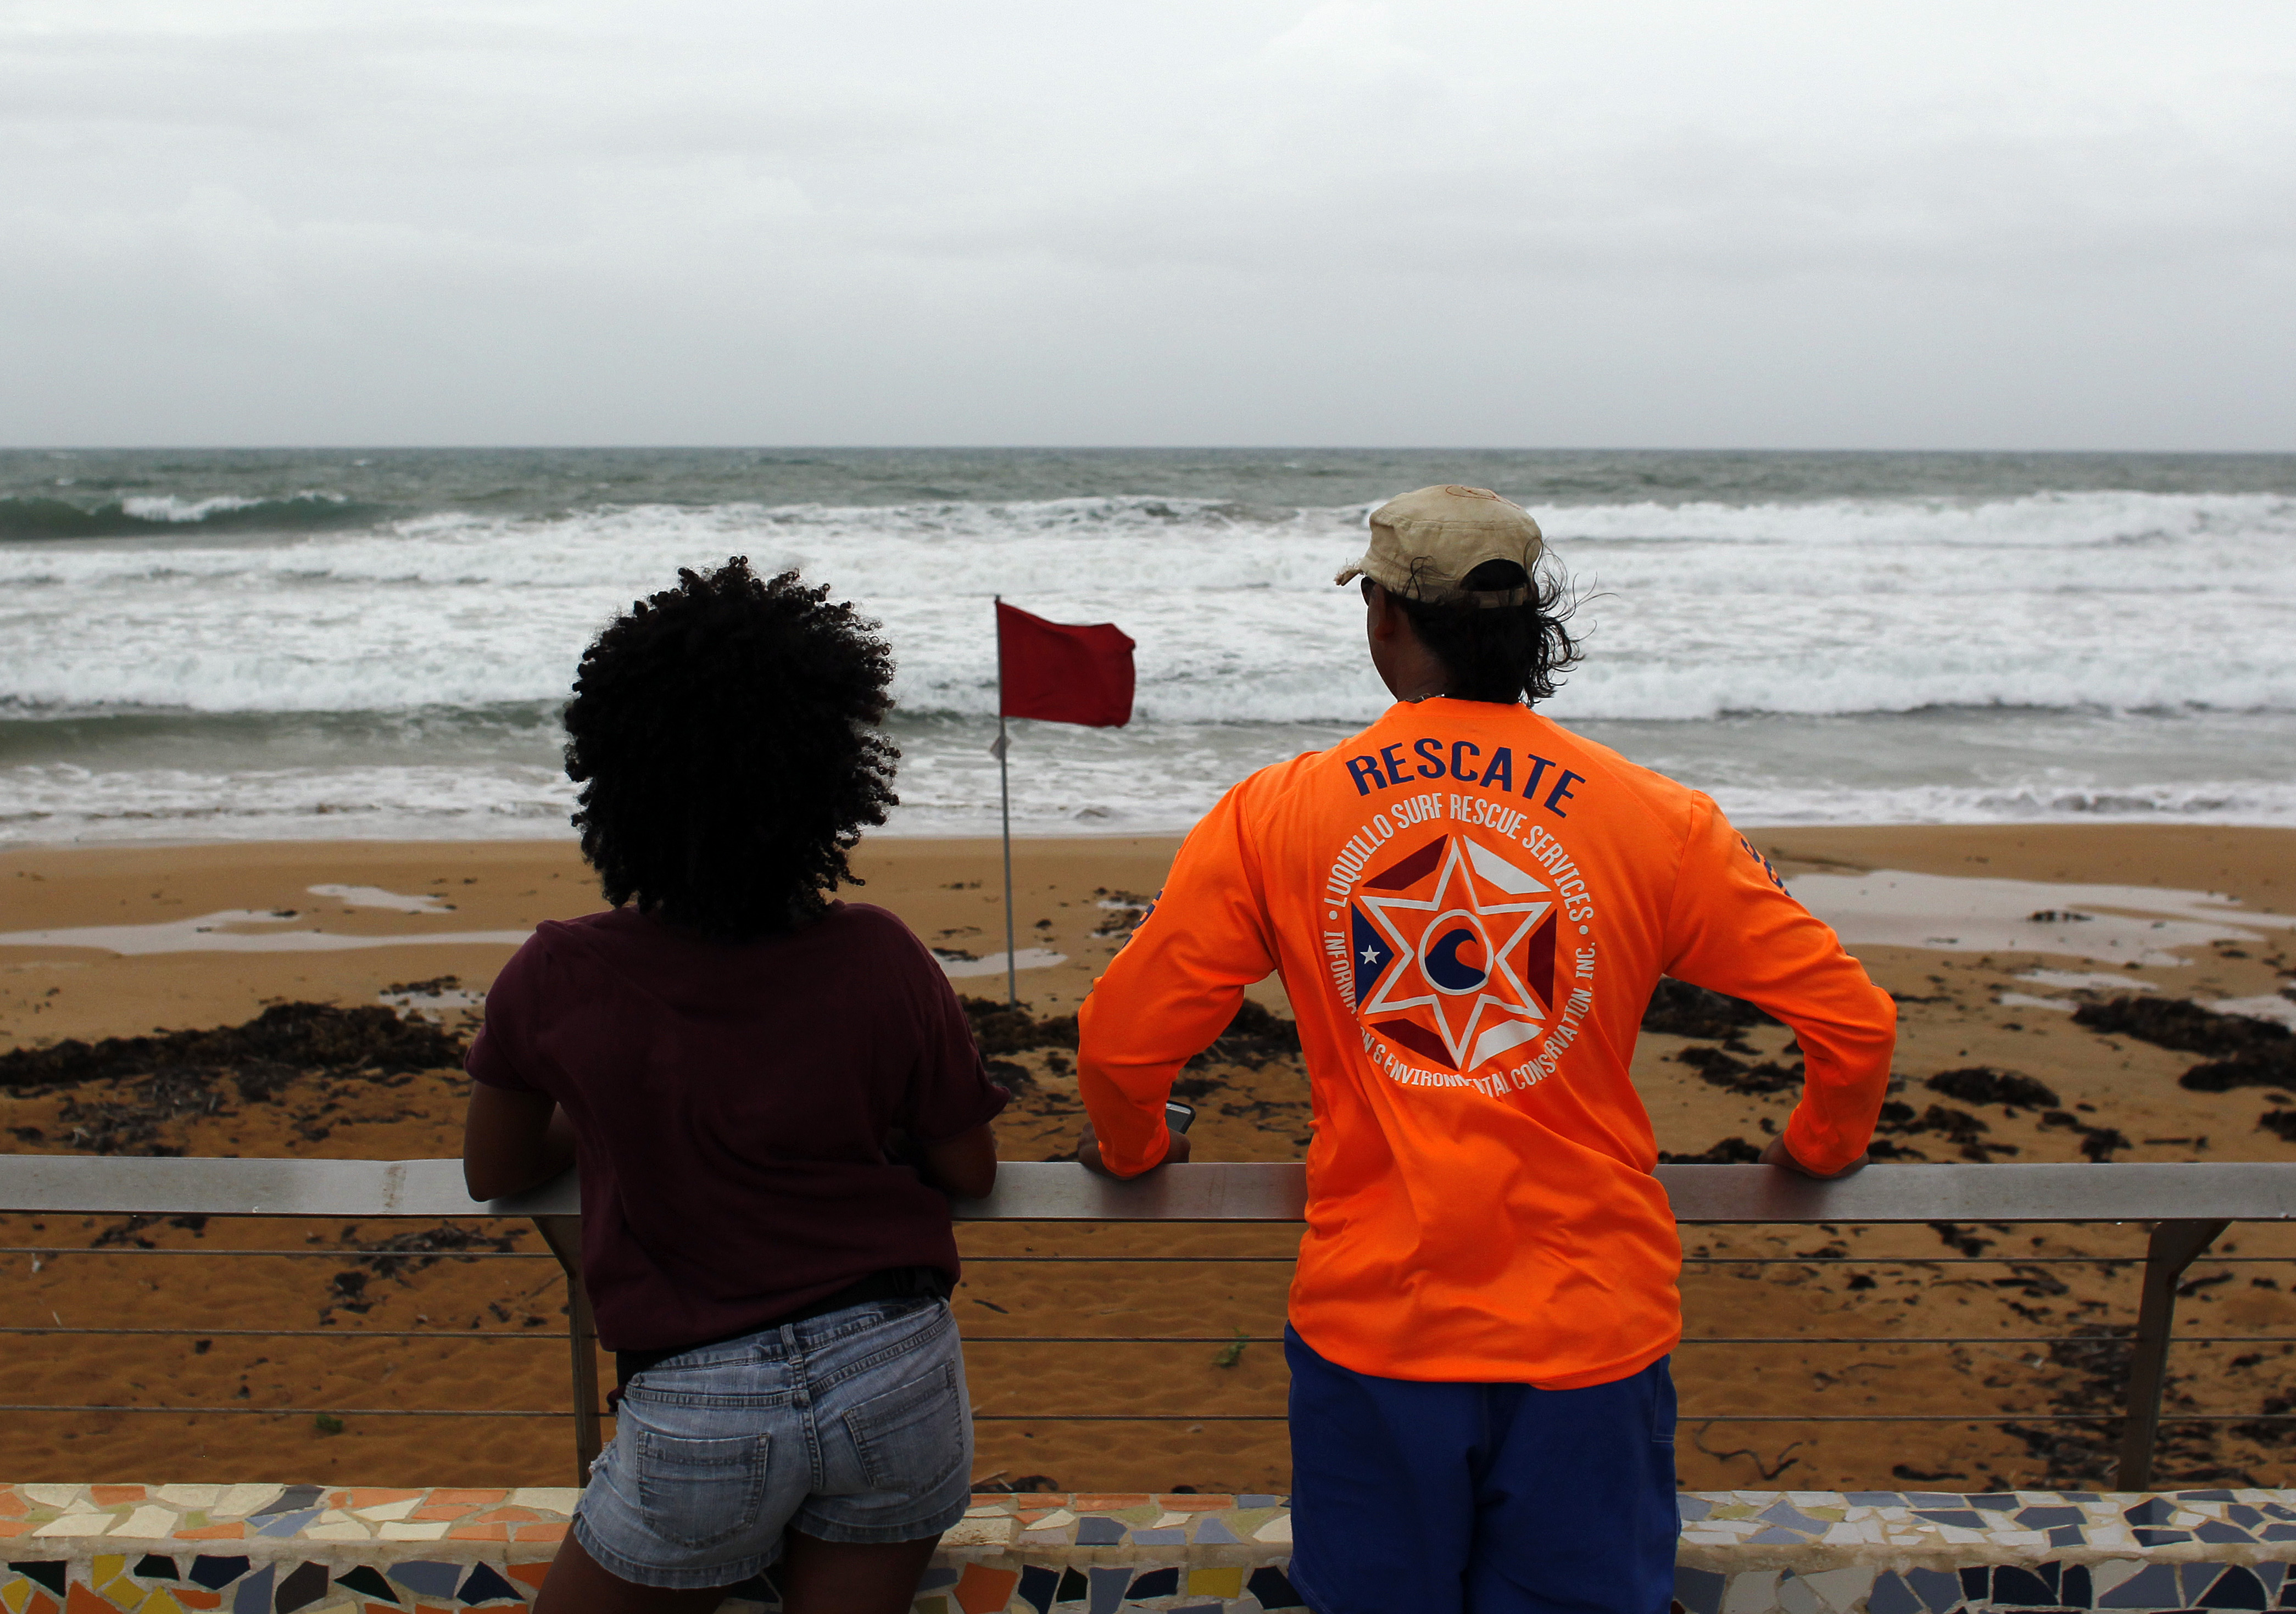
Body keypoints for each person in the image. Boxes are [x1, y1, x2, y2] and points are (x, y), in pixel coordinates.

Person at [1074, 485, 1897, 1614]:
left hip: (1376, 1332)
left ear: (1384, 620)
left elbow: (1123, 1046)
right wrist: (1816, 1145)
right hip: (1591, 1332)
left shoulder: (1276, 814)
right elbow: (1856, 1022)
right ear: (1526, 628)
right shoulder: (1660, 821)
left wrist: (1130, 1153)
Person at [463, 559, 1008, 1614]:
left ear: (617, 776)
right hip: (897, 1365)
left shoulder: (557, 973)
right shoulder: (885, 956)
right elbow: (971, 1170)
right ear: (829, 774)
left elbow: (494, 1170)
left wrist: (609, 1112)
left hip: (698, 1397)